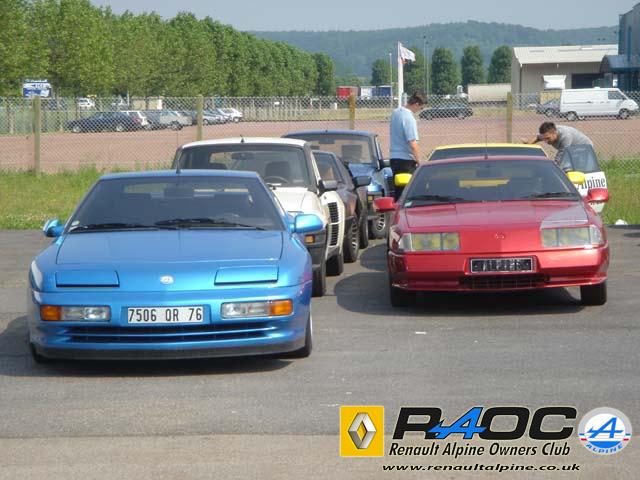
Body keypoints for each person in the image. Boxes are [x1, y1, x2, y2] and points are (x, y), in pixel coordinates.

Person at [389, 93, 425, 199]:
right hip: (406, 161)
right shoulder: (409, 118)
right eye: (421, 108)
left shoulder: (396, 112)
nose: (420, 110)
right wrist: (419, 162)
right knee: (407, 193)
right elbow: (413, 143)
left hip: (394, 158)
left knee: (398, 191)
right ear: (417, 104)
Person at [524, 122, 593, 164]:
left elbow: (560, 157)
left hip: (584, 148)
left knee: (577, 167)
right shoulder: (547, 133)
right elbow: (538, 138)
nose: (545, 141)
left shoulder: (565, 137)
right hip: (571, 149)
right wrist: (528, 145)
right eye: (544, 139)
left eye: (548, 138)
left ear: (554, 133)